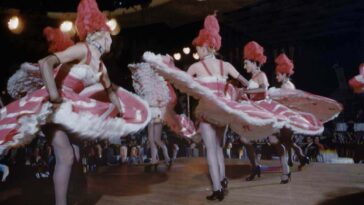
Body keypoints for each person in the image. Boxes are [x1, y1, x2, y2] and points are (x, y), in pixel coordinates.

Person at [0, 0, 150, 204]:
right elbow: (46, 63)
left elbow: (111, 91)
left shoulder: (101, 68)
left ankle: (76, 195)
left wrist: (124, 115)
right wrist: (54, 97)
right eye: (109, 36)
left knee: (76, 157)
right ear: (102, 35)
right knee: (67, 156)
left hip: (70, 108)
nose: (111, 40)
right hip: (53, 104)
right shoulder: (83, 49)